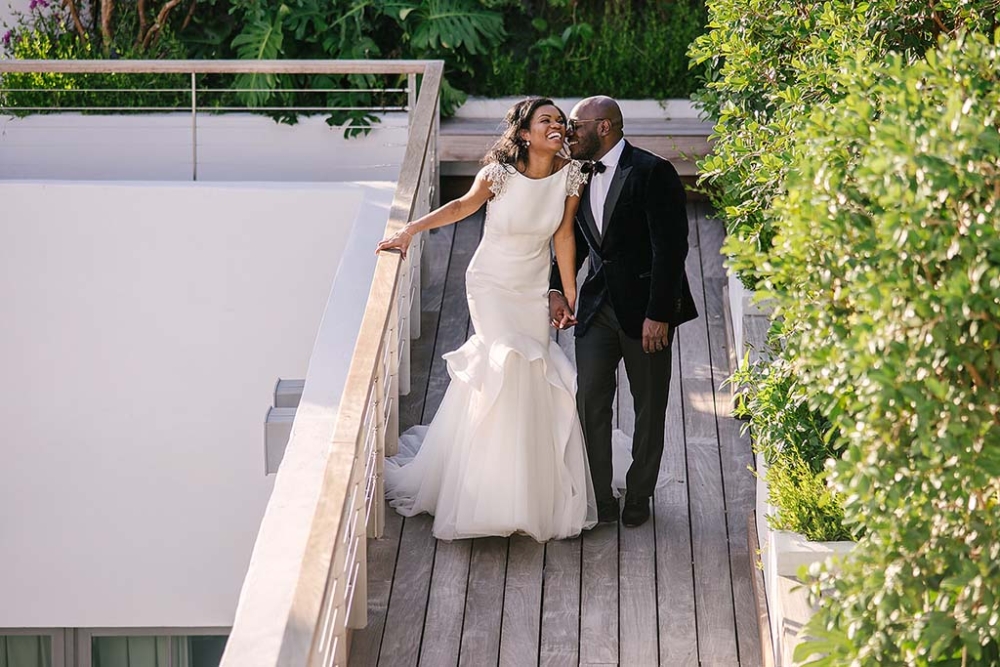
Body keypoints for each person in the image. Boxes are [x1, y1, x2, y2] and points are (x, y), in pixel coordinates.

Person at [375, 97, 597, 541]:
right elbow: (460, 207)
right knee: (508, 361)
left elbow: (564, 235)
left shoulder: (572, 176)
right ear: (524, 133)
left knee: (533, 374)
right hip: (492, 285)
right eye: (545, 120)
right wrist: (409, 231)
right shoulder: (498, 174)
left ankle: (525, 492)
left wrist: (569, 295)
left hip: (532, 289)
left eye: (559, 120)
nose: (556, 126)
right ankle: (483, 492)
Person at [549, 96, 698, 528]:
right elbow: (569, 242)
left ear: (605, 128)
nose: (568, 133)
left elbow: (670, 250)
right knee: (589, 402)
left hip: (645, 313)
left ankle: (639, 494)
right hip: (595, 308)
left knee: (649, 406)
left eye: (575, 125)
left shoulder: (653, 172)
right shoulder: (575, 172)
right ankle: (600, 497)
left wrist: (659, 314)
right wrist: (557, 289)